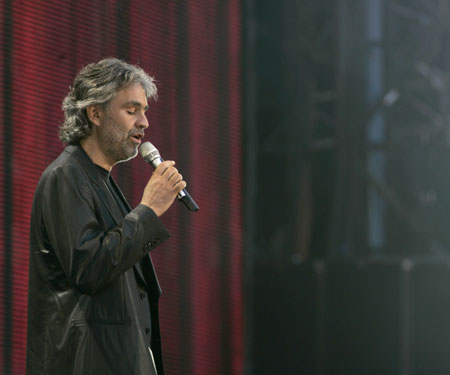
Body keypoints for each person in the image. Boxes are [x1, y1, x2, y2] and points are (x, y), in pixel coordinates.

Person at [26, 58, 185, 375]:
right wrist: (148, 210)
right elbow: (89, 268)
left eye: (144, 110)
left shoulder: (101, 181)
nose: (144, 122)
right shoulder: (65, 176)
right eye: (131, 110)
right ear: (95, 113)